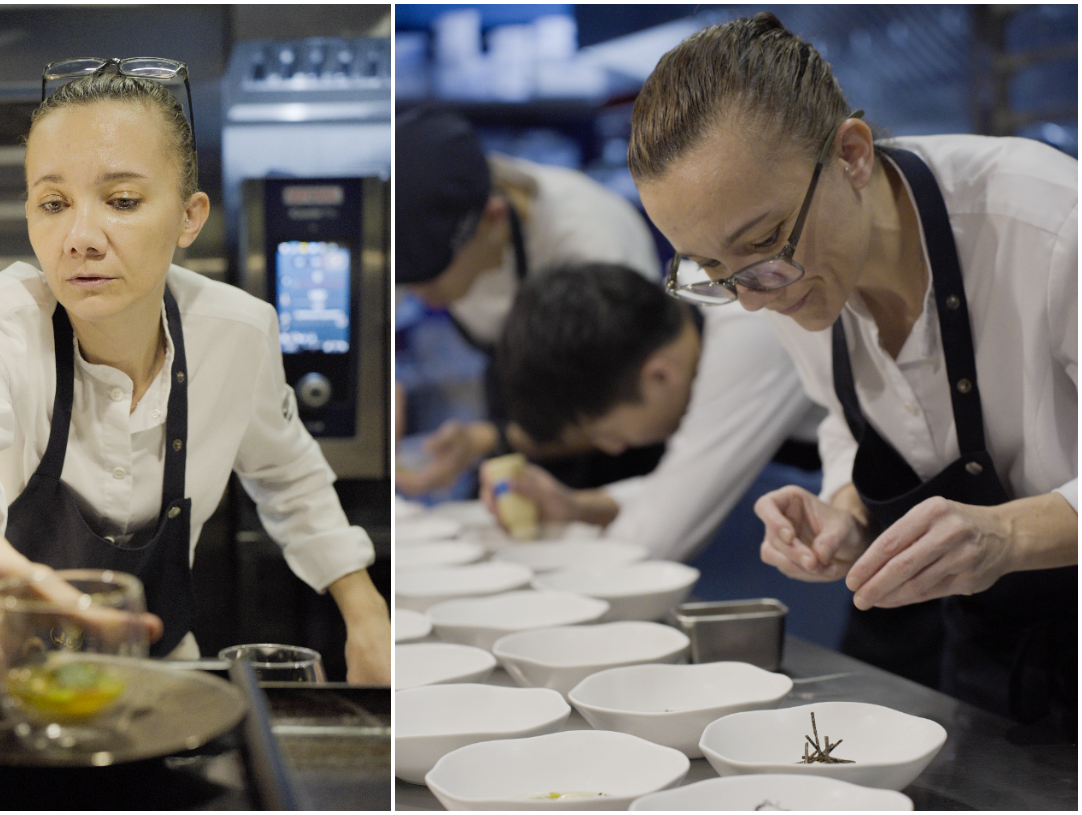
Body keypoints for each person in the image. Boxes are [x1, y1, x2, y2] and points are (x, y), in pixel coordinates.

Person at [0, 59, 390, 730]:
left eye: (121, 201)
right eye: (53, 203)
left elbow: (286, 472)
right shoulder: (1, 321)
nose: (80, 238)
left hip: (147, 687)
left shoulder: (235, 335)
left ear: (188, 216)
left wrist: (365, 611)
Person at [628, 12, 1076, 732]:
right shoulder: (782, 280)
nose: (750, 296)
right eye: (711, 268)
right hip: (991, 658)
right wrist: (843, 509)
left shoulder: (1047, 222)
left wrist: (1008, 536)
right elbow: (847, 419)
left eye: (761, 243)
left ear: (852, 154)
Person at [394, 107, 662, 496]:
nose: (415, 295)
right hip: (518, 434)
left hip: (616, 452)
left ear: (493, 218)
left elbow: (636, 412)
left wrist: (487, 440)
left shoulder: (592, 245)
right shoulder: (431, 216)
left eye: (430, 281)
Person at [482, 263, 820, 561]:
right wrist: (575, 507)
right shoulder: (685, 301)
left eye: (604, 432)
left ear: (659, 375)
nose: (612, 447)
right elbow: (675, 487)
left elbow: (655, 543)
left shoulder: (750, 331)